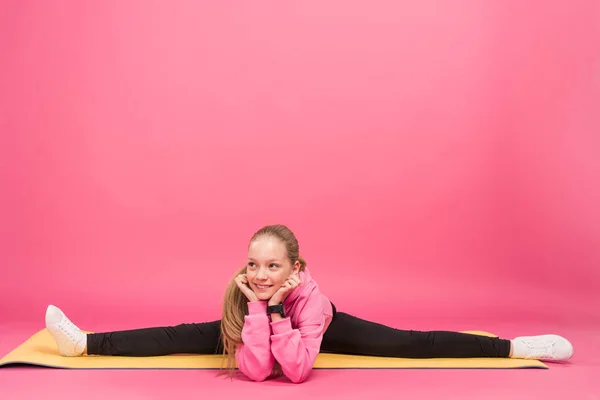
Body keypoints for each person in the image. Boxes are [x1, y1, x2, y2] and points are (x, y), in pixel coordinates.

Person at [45, 224, 573, 383]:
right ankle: (86, 342)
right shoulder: (244, 293)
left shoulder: (313, 303)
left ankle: (514, 345)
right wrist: (256, 308)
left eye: (272, 266)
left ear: (295, 269)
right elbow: (256, 370)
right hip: (266, 322)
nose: (259, 274)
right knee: (180, 333)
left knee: (410, 344)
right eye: (254, 265)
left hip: (314, 330)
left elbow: (294, 372)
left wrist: (276, 312)